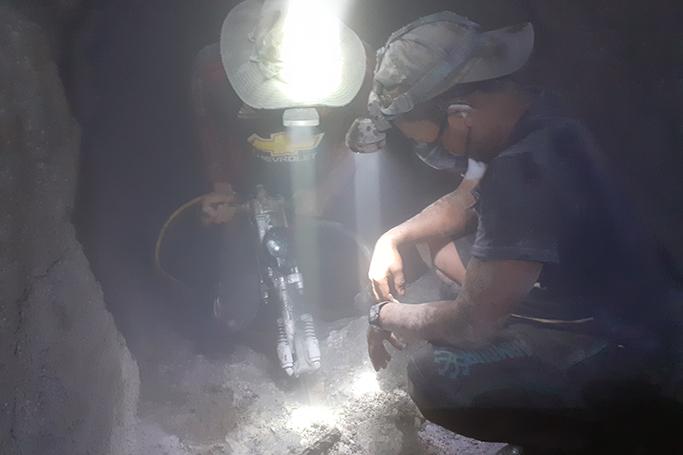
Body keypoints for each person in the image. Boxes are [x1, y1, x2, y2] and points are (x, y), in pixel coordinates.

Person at [347, 12, 679, 452]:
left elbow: (470, 325)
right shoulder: (537, 113)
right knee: (439, 249)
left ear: (460, 116)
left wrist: (383, 315)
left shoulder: (522, 168)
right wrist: (393, 237)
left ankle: (592, 437)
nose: (429, 151)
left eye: (430, 139)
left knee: (434, 376)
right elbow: (464, 199)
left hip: (633, 346)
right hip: (637, 290)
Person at [184, 0, 370, 331]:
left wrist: (326, 191)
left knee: (345, 281)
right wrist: (222, 188)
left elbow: (361, 138)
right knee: (237, 310)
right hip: (251, 181)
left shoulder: (359, 68)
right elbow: (210, 131)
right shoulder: (214, 74)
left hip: (322, 175)